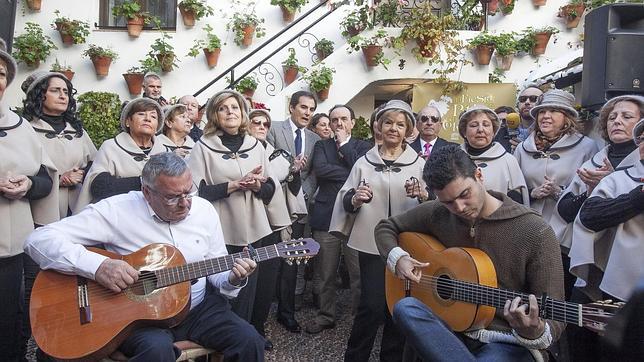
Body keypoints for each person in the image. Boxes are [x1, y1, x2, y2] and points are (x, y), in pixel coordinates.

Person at [24, 152, 264, 361]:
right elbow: (38, 240)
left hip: (198, 309)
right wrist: (98, 266)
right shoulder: (117, 210)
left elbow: (219, 272)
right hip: (139, 319)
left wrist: (233, 279)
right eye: (172, 197)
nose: (185, 204)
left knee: (250, 341)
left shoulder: (204, 210)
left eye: (188, 192)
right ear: (147, 192)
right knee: (156, 352)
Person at [376, 145, 565, 361]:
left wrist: (534, 330)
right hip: (446, 330)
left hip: (504, 340)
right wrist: (399, 258)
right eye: (447, 202)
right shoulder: (437, 213)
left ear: (479, 174)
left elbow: (555, 317)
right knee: (405, 307)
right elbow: (385, 227)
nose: (459, 207)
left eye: (464, 194)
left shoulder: (534, 230)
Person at [330, 100, 428, 361]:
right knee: (370, 307)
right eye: (388, 123)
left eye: (400, 124)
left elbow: (434, 204)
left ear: (408, 130)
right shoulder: (364, 161)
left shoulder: (418, 163)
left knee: (398, 308)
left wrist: (423, 194)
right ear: (379, 127)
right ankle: (355, 357)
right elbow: (345, 196)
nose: (393, 128)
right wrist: (355, 198)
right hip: (371, 244)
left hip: (408, 246)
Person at [188, 89, 289, 325]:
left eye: (234, 107)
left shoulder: (255, 145)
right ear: (214, 115)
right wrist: (233, 185)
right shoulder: (202, 147)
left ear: (242, 113)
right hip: (220, 229)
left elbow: (270, 189)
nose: (230, 112)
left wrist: (255, 186)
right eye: (223, 108)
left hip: (256, 227)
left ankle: (253, 332)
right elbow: (196, 191)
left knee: (255, 286)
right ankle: (222, 336)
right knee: (223, 286)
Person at [565, 119, 644, 362]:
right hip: (623, 291)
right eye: (642, 139)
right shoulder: (620, 180)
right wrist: (636, 200)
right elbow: (589, 216)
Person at [0, 38, 59, 362]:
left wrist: (26, 184)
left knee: (9, 319)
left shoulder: (20, 127)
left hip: (11, 247)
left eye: (0, 73)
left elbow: (44, 179)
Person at [550, 95, 642, 297]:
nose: (617, 121)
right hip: (591, 261)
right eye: (612, 117)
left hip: (630, 267)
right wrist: (589, 192)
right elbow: (565, 211)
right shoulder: (594, 162)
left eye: (626, 116)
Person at [305, 104, 371, 334]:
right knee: (325, 272)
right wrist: (352, 173)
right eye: (334, 120)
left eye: (344, 118)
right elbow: (321, 171)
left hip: (357, 218)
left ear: (352, 122)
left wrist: (344, 146)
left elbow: (364, 171)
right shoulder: (321, 146)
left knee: (358, 273)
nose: (339, 123)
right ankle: (325, 315)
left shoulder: (364, 145)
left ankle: (359, 317)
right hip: (326, 217)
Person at [246, 108, 306, 350]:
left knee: (267, 279)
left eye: (265, 124)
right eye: (256, 122)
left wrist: (293, 173)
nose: (261, 126)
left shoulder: (277, 154)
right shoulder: (238, 152)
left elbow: (292, 190)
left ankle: (258, 328)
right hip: (246, 224)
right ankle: (241, 331)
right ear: (246, 125)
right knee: (244, 278)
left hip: (271, 224)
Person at [266, 91, 321, 333]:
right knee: (269, 260)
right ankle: (260, 309)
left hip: (298, 209)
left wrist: (302, 194)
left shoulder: (314, 139)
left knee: (291, 261)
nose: (307, 113)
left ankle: (286, 314)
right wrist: (288, 173)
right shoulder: (274, 129)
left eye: (311, 109)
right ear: (291, 108)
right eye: (303, 107)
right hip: (272, 206)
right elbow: (267, 163)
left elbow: (313, 174)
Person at [514, 89, 598, 224]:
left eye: (553, 111)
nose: (546, 116)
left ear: (567, 117)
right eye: (541, 112)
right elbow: (512, 191)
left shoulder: (586, 147)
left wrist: (559, 192)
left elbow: (590, 193)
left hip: (566, 231)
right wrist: (531, 193)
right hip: (528, 227)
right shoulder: (522, 149)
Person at [22, 71, 97, 218]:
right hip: (41, 210)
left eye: (65, 91)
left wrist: (80, 174)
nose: (63, 96)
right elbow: (21, 171)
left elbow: (95, 164)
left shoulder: (77, 130)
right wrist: (60, 179)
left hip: (79, 207)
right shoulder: (25, 130)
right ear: (39, 95)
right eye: (55, 91)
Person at [74, 98, 165, 212]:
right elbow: (99, 186)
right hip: (118, 216)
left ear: (157, 126)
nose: (147, 119)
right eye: (141, 114)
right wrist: (143, 182)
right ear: (127, 122)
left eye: (153, 117)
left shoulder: (165, 152)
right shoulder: (111, 147)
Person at [459, 105, 529, 205]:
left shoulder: (508, 161)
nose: (480, 130)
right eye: (474, 125)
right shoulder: (454, 159)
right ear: (464, 132)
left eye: (486, 125)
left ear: (493, 131)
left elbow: (517, 205)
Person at [509, 85, 543, 150]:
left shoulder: (549, 133)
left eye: (533, 99)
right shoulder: (504, 130)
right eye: (523, 99)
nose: (527, 102)